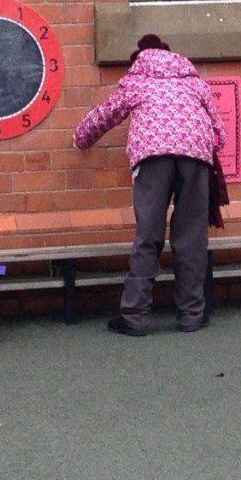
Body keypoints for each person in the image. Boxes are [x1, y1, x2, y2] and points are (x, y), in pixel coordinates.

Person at [73, 34, 226, 336]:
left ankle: (135, 317)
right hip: (196, 158)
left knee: (149, 236)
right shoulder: (194, 81)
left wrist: (81, 138)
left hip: (153, 158)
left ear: (139, 58)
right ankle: (192, 315)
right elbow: (219, 133)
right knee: (191, 238)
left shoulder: (138, 79)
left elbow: (106, 114)